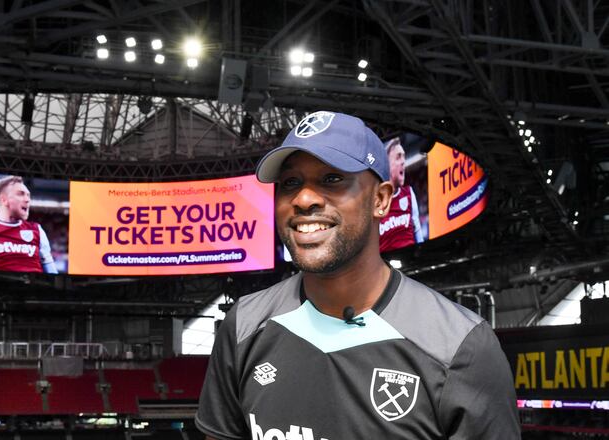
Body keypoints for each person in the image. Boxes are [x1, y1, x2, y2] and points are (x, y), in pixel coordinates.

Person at [195, 111, 518, 439]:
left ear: (380, 199)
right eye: (291, 183)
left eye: (332, 178)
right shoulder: (244, 325)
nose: (304, 199)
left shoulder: (460, 346)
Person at [0, 175, 57, 273]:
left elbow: (52, 273)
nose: (27, 199)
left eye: (28, 195)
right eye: (21, 194)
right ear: (4, 200)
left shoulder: (37, 230)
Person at [379, 137, 424, 253]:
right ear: (386, 164)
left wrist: (421, 252)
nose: (403, 161)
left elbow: (417, 230)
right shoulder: (374, 201)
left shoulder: (409, 193)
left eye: (404, 156)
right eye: (398, 157)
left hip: (411, 260)